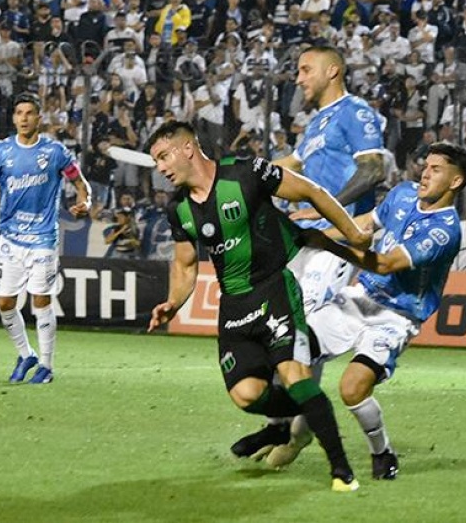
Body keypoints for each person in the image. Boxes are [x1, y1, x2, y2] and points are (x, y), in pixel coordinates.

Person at [146, 121, 370, 491]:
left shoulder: (246, 173)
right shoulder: (178, 209)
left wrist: (352, 232)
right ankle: (303, 415)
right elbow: (185, 266)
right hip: (234, 304)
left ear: (188, 148)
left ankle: (342, 472)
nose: (160, 167)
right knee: (246, 394)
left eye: (163, 156)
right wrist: (174, 302)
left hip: (275, 286)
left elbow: (311, 191)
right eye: (156, 161)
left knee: (293, 373)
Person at [268, 142, 466, 481]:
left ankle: (382, 452)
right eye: (426, 165)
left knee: (353, 389)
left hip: (396, 317)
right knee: (290, 348)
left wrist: (326, 243)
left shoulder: (444, 230)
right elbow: (364, 223)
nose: (425, 173)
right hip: (359, 298)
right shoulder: (403, 194)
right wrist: (316, 228)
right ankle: (294, 431)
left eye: (437, 170)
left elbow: (386, 263)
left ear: (455, 182)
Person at [231, 44, 386, 462]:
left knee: (301, 331)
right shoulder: (317, 122)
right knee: (283, 327)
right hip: (304, 238)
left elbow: (375, 168)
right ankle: (287, 427)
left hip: (335, 239)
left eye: (305, 69)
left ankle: (293, 432)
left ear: (332, 70)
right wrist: (236, 172)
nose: (298, 78)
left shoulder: (356, 112)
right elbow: (291, 166)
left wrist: (326, 202)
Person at [0, 93, 92, 384]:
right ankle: (26, 354)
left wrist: (85, 202)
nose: (24, 118)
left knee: (41, 301)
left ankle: (47, 366)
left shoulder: (55, 152)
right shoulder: (1, 151)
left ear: (39, 118)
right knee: (4, 303)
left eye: (29, 113)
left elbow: (79, 182)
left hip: (42, 238)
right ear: (14, 117)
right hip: (10, 238)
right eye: (19, 113)